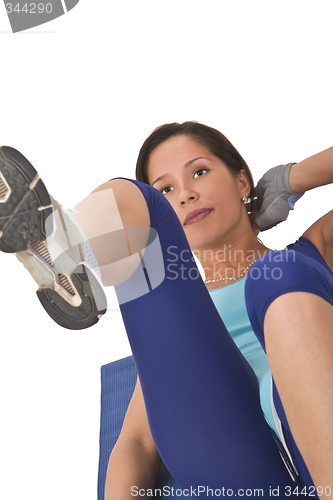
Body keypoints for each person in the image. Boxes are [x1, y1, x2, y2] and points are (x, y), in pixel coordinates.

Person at [0, 123, 332, 499]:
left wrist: (294, 178)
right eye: (168, 189)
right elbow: (137, 443)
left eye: (200, 172)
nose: (186, 195)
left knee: (278, 272)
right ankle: (67, 243)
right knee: (133, 196)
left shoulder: (314, 251)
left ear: (242, 182)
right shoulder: (184, 323)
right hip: (245, 473)